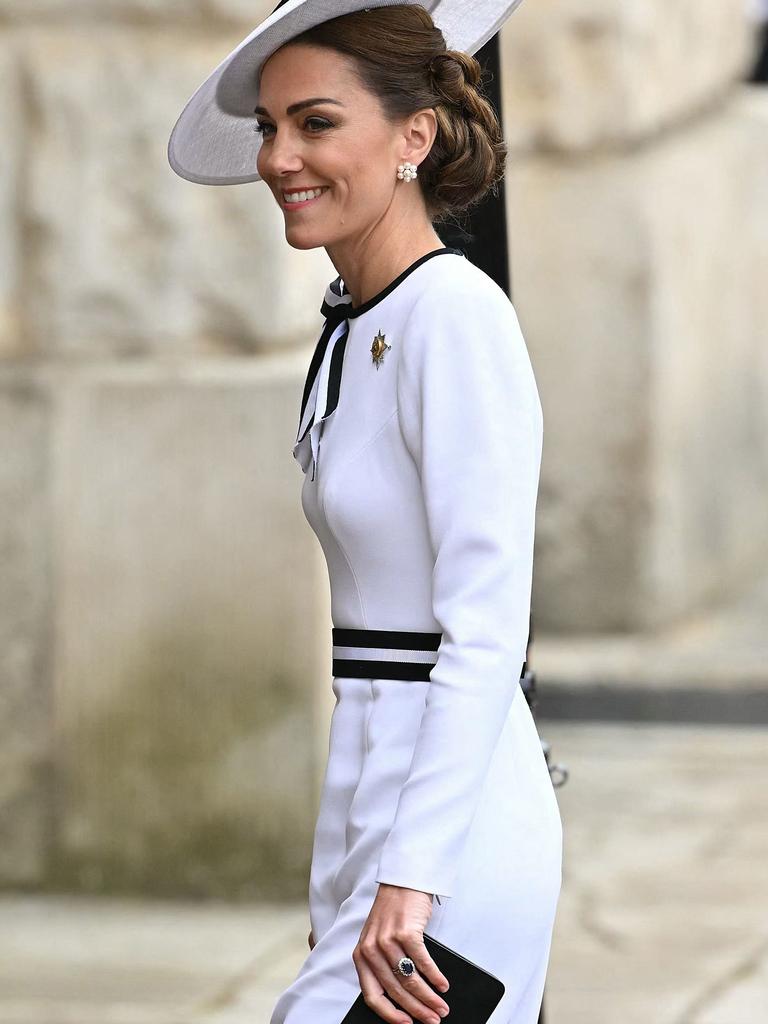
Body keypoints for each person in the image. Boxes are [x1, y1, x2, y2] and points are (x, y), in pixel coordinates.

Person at [167, 3, 562, 1022]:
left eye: (315, 123)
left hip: (453, 838)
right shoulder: (354, 324)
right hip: (383, 818)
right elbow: (366, 682)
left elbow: (483, 627)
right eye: (268, 127)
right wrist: (338, 876)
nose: (279, 157)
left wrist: (411, 873)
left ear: (412, 138)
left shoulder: (458, 319)